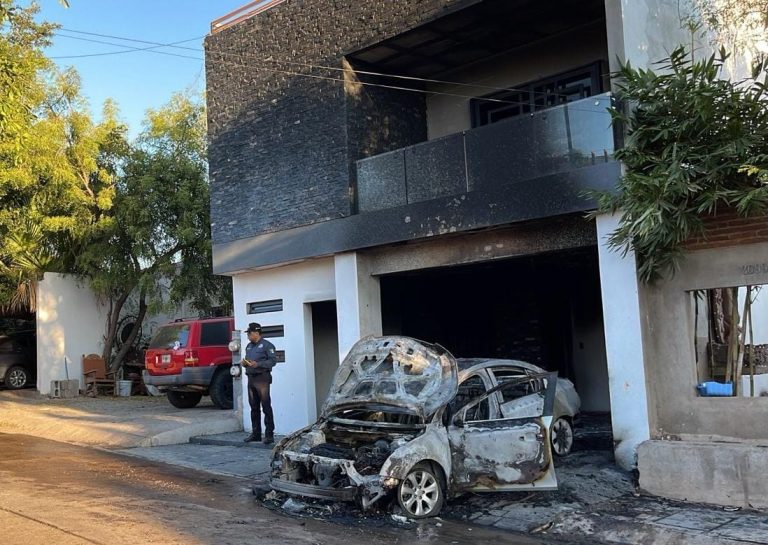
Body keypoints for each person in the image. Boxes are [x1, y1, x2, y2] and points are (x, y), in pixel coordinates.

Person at [241, 322, 277, 444]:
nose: (248, 336)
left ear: (256, 333)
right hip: (251, 378)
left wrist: (259, 364)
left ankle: (269, 435)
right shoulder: (249, 346)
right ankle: (256, 433)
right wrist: (245, 363)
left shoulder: (267, 345)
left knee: (266, 406)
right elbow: (248, 359)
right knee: (254, 407)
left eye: (249, 333)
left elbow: (273, 361)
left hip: (262, 379)